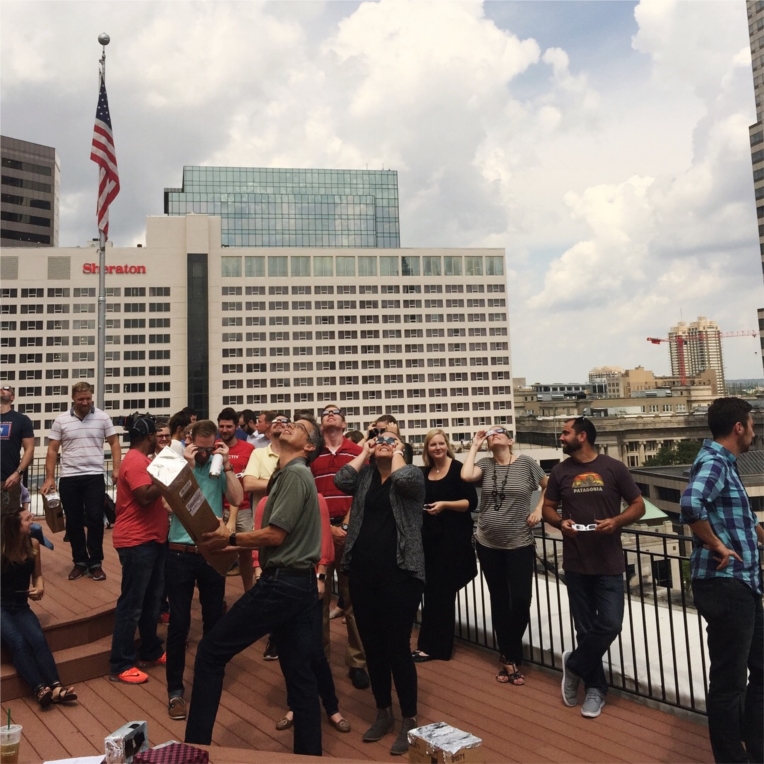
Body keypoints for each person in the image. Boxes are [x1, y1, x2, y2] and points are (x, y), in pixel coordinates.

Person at [184, 417, 324, 756]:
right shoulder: (290, 475)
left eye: (301, 427)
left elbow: (276, 535)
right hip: (301, 586)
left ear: (308, 447)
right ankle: (310, 756)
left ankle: (193, 750)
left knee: (210, 652)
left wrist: (229, 536)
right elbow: (275, 541)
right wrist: (231, 545)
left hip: (282, 587)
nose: (291, 424)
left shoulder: (293, 474)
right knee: (301, 677)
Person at [541, 417, 645, 719]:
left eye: (565, 433)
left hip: (609, 562)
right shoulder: (560, 472)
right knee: (585, 629)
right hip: (576, 562)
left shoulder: (613, 467)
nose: (561, 438)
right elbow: (548, 507)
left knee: (611, 624)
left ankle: (574, 665)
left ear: (582, 436)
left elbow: (637, 504)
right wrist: (560, 522)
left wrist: (617, 521)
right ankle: (596, 689)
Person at [680, 397, 763, 764]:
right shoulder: (714, 461)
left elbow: (742, 523)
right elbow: (690, 504)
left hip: (744, 584)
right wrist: (716, 545)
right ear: (738, 428)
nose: (755, 431)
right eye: (752, 423)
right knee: (729, 681)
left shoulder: (724, 464)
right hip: (726, 583)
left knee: (760, 668)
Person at [335, 430, 425, 756]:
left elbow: (406, 481)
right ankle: (383, 710)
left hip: (400, 575)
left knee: (397, 647)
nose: (384, 443)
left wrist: (396, 450)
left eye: (391, 439)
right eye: (379, 440)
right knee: (372, 646)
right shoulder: (366, 476)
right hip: (362, 573)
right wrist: (364, 450)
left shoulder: (411, 474)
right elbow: (341, 480)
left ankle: (409, 718)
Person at [252, 495, 351, 735]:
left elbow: (325, 542)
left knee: (315, 651)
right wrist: (257, 572)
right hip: (278, 586)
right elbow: (259, 541)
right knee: (288, 651)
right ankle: (294, 705)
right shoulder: (266, 503)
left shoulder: (314, 499)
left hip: (308, 582)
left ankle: (331, 707)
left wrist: (321, 576)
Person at [165, 419, 243, 722]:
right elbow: (167, 505)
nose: (204, 455)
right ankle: (175, 691)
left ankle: (208, 680)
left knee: (214, 619)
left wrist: (224, 464)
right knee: (179, 623)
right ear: (190, 441)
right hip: (180, 551)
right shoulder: (176, 464)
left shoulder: (217, 464)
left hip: (210, 550)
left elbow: (236, 499)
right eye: (201, 449)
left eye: (210, 449)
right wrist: (186, 465)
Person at [460, 427, 546, 684]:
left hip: (519, 542)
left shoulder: (527, 463)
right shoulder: (485, 464)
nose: (494, 434)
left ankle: (509, 652)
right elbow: (466, 475)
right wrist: (475, 445)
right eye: (491, 433)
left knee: (520, 600)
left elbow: (549, 487)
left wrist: (540, 509)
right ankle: (510, 658)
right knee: (499, 600)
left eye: (500, 432)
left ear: (511, 440)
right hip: (488, 543)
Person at [309, 404, 369, 689]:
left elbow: (364, 491)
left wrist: (345, 525)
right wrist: (325, 528)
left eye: (336, 412)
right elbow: (308, 495)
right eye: (326, 413)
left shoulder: (357, 453)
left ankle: (357, 662)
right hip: (319, 534)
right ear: (321, 425)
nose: (330, 414)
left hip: (349, 533)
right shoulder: (312, 455)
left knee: (353, 600)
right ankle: (320, 661)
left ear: (344, 424)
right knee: (318, 599)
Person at [41, 382, 122, 582]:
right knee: (74, 521)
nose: (85, 402)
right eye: (81, 399)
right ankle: (80, 561)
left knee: (95, 519)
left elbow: (114, 443)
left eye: (88, 398)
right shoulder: (61, 420)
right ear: (73, 399)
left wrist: (117, 469)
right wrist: (50, 477)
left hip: (94, 475)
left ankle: (95, 563)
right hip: (69, 477)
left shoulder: (102, 417)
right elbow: (52, 450)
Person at [109, 417, 168, 685]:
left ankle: (151, 649)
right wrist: (168, 479)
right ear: (150, 436)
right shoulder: (134, 461)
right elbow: (144, 496)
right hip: (136, 542)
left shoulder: (143, 460)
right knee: (132, 605)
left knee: (151, 601)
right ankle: (120, 663)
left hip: (151, 540)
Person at [1, 499, 77, 707]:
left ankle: (56, 686)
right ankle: (39, 688)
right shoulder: (2, 549)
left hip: (21, 604)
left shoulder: (33, 544)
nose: (32, 520)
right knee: (18, 642)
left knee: (38, 640)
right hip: (1, 606)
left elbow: (38, 576)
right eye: (27, 519)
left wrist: (40, 588)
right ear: (15, 527)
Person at [413, 429, 477, 663]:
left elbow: (471, 502)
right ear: (427, 449)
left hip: (453, 542)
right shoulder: (426, 471)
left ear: (446, 445)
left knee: (442, 594)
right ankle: (429, 644)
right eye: (432, 445)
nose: (437, 448)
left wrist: (444, 505)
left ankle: (437, 647)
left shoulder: (459, 469)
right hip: (431, 541)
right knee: (433, 594)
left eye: (440, 443)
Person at [217, 407, 255, 591]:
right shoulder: (213, 448)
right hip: (218, 507)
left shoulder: (249, 448)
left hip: (244, 509)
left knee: (247, 554)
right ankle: (219, 596)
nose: (224, 430)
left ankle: (249, 593)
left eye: (228, 426)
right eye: (221, 426)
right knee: (219, 555)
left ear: (236, 427)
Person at [1, 385, 34, 488]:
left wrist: (18, 473)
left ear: (12, 397)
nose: (2, 390)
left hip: (8, 480)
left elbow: (30, 449)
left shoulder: (22, 420)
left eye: (6, 389)